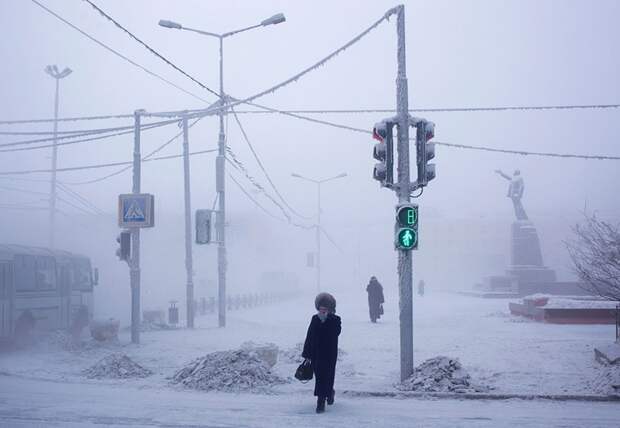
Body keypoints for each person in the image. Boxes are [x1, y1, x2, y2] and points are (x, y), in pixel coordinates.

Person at [302, 292, 341, 414]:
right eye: (321, 308)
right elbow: (309, 336)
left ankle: (328, 394)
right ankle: (321, 400)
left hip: (329, 354)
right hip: (316, 354)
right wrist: (307, 354)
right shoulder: (315, 319)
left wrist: (327, 320)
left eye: (325, 309)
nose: (322, 311)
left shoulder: (335, 320)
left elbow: (336, 333)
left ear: (330, 309)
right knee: (319, 377)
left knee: (328, 376)